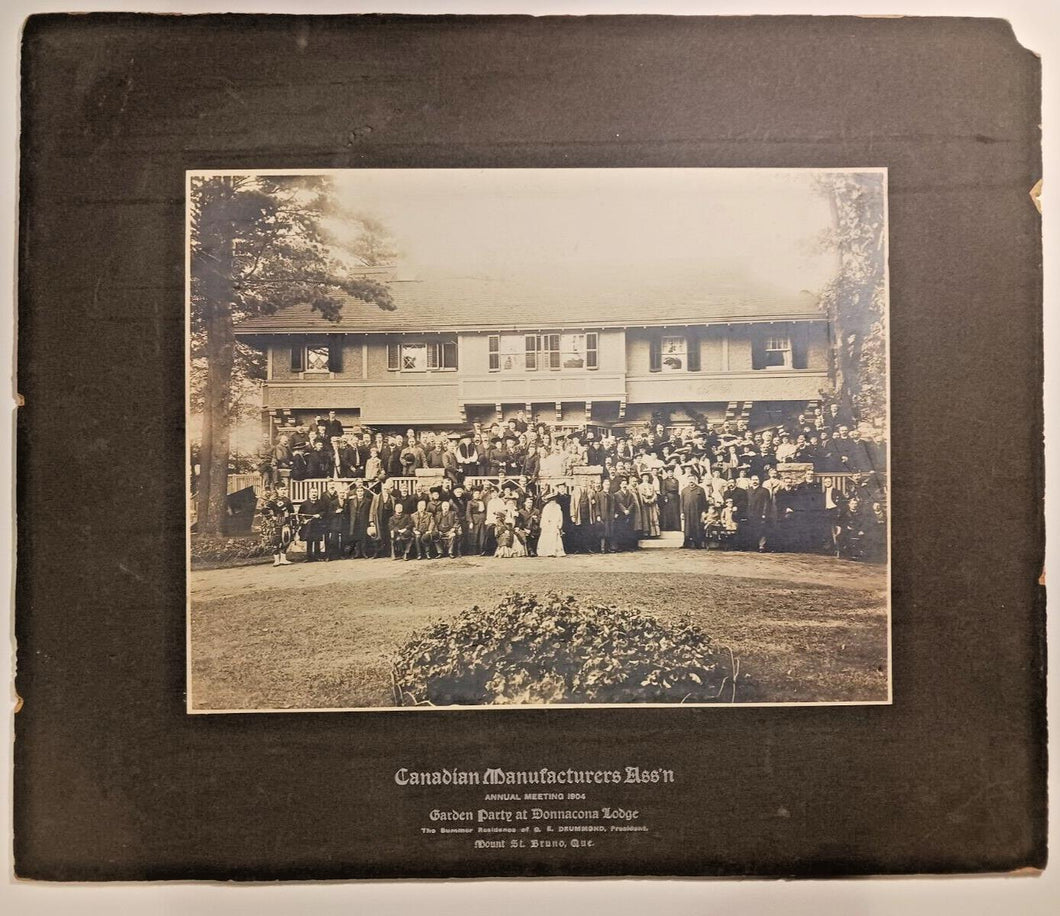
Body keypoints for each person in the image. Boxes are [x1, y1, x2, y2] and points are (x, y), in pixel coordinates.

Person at [259, 484, 295, 567]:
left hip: (286, 522)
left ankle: (283, 559)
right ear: (277, 490)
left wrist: (289, 516)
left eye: (284, 489)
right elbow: (264, 510)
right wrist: (272, 517)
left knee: (285, 540)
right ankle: (276, 560)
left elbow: (291, 510)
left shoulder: (287, 500)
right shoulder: (273, 500)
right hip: (277, 524)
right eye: (281, 489)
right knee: (276, 540)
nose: (283, 491)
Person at [345, 481, 373, 559]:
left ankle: (364, 553)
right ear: (356, 492)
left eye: (361, 491)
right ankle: (357, 553)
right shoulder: (351, 501)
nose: (360, 492)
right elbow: (348, 511)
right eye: (358, 491)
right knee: (356, 537)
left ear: (363, 492)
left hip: (363, 521)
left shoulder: (367, 501)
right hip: (354, 521)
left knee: (363, 537)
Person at [679, 476, 708, 549]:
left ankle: (698, 544)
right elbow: (681, 502)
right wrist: (682, 512)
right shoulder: (684, 490)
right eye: (689, 479)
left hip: (697, 512)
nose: (691, 481)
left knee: (697, 527)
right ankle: (687, 543)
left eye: (692, 479)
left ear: (695, 480)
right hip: (687, 512)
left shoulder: (700, 490)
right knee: (687, 528)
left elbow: (704, 502)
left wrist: (704, 511)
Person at [536, 493, 566, 557]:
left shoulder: (558, 507)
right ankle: (548, 551)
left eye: (554, 500)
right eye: (552, 501)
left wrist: (559, 524)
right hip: (548, 526)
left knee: (556, 537)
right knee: (548, 537)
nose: (553, 502)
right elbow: (545, 517)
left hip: (555, 525)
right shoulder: (547, 508)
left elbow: (560, 516)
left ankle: (556, 551)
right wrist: (547, 524)